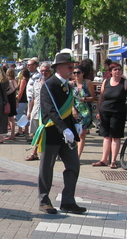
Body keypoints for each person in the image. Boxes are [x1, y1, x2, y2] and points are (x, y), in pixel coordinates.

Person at [32, 51, 86, 215]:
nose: (72, 70)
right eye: (69, 67)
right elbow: (51, 111)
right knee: (47, 168)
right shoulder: (48, 85)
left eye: (73, 67)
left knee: (73, 165)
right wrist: (64, 129)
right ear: (60, 68)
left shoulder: (67, 85)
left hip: (68, 133)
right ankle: (44, 200)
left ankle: (68, 201)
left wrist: (75, 124)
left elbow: (69, 110)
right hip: (52, 132)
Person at [94, 62, 127, 169]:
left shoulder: (124, 83)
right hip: (105, 111)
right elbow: (101, 96)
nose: (117, 71)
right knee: (106, 136)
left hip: (118, 113)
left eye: (119, 69)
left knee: (115, 136)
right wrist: (98, 111)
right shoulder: (106, 82)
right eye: (115, 70)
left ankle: (113, 161)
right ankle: (104, 160)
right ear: (111, 72)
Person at [25, 63, 51, 161]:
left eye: (46, 71)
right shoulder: (36, 82)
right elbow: (33, 98)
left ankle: (48, 153)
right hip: (36, 111)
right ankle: (34, 153)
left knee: (47, 133)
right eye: (42, 71)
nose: (44, 73)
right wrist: (29, 111)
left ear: (50, 72)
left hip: (48, 113)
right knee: (36, 133)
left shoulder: (53, 83)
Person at [71, 65, 96, 157]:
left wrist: (85, 98)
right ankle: (72, 153)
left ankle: (78, 155)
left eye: (78, 72)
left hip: (85, 111)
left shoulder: (87, 83)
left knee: (82, 134)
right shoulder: (71, 84)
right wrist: (73, 109)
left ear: (82, 73)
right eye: (74, 73)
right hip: (74, 110)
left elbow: (93, 97)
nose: (76, 74)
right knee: (73, 133)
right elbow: (69, 99)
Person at [15, 68, 30, 137]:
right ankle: (26, 130)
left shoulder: (23, 81)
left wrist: (18, 100)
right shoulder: (30, 80)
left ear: (22, 74)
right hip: (28, 100)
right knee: (27, 115)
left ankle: (20, 130)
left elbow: (21, 91)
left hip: (23, 100)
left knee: (18, 114)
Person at [5, 67, 18, 140]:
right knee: (11, 118)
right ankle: (12, 134)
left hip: (9, 101)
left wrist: (6, 93)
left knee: (10, 118)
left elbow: (12, 89)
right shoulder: (15, 80)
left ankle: (12, 134)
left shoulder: (9, 81)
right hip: (13, 100)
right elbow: (15, 89)